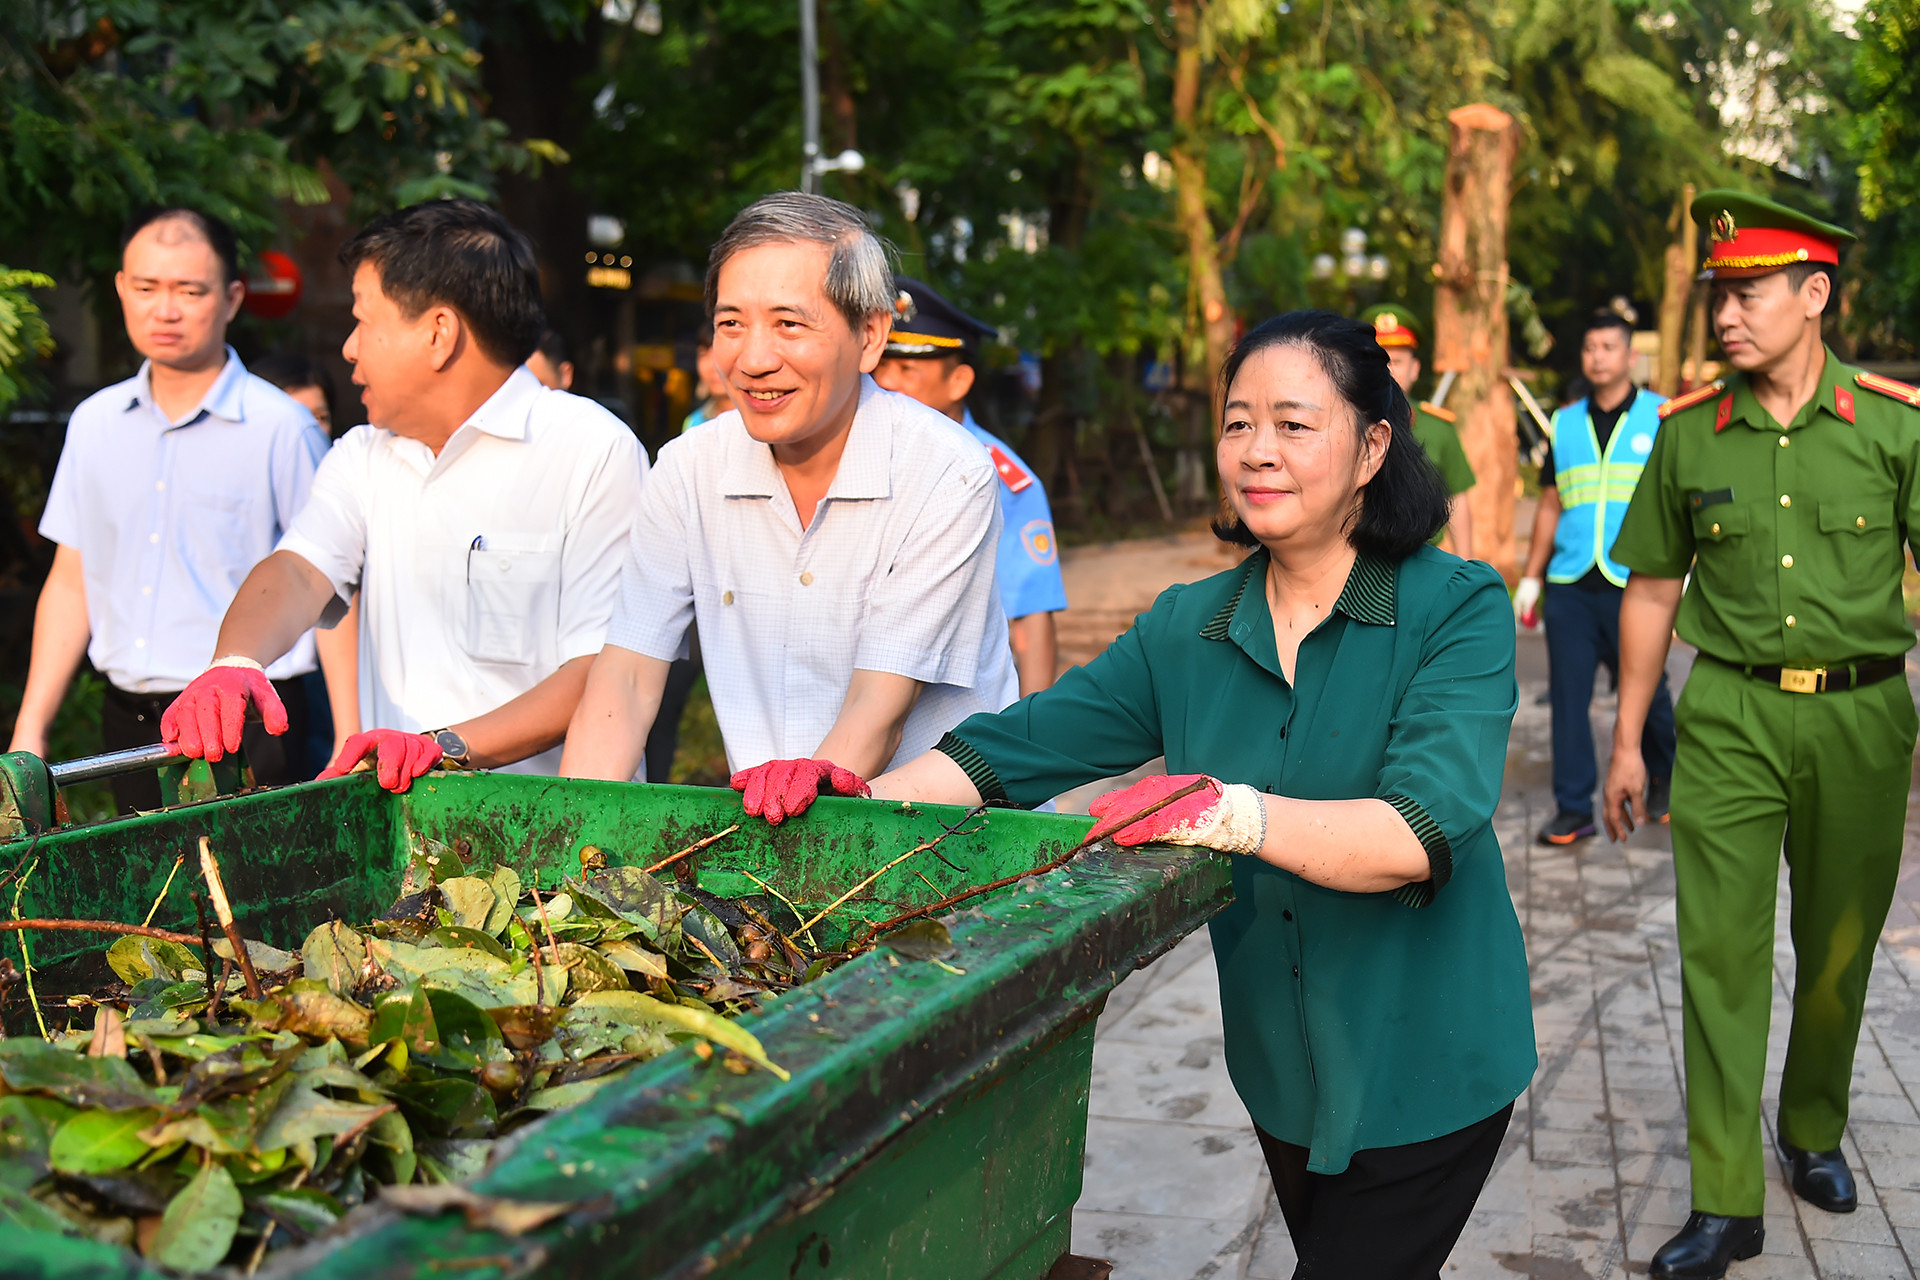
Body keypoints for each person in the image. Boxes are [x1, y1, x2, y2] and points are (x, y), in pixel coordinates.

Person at [791, 310, 1531, 1274]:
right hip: (1282, 1071)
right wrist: (851, 802)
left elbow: (1415, 831)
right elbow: (1010, 753)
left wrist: (1229, 811)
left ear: (1371, 446)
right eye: (1237, 424)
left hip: (1431, 1059)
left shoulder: (1454, 608)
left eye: (1295, 425)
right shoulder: (1192, 626)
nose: (1258, 452)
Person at [1602, 191, 1920, 1279]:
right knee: (1720, 956)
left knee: (1839, 949)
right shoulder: (1689, 432)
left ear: (1815, 292)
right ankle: (1726, 1198)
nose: (1726, 314)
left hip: (1866, 713)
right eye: (1719, 294)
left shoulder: (1893, 424)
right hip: (1729, 711)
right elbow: (1650, 587)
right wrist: (1629, 739)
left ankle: (1814, 1125)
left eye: (1747, 292)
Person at [159, 198, 647, 790]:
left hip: (553, 835)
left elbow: (604, 673)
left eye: (363, 321)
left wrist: (439, 749)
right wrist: (235, 663)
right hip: (400, 833)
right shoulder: (366, 453)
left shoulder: (592, 451)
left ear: (439, 333)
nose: (349, 348)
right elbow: (298, 572)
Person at [561, 193, 1018, 804]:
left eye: (789, 324)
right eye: (730, 324)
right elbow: (626, 679)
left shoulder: (947, 473)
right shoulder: (686, 469)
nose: (752, 360)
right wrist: (569, 850)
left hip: (938, 845)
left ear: (871, 335)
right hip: (770, 828)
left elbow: (877, 712)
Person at [6, 207, 329, 812]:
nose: (166, 309)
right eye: (148, 288)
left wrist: (347, 745)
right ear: (122, 290)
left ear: (232, 298)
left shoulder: (281, 428)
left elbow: (329, 584)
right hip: (129, 724)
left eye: (190, 290)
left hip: (250, 726)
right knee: (144, 902)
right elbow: (72, 580)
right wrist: (31, 730)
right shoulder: (95, 423)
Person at [1514, 310, 1676, 845]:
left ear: (1632, 357)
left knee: (1648, 692)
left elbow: (1680, 504)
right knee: (1567, 697)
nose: (1598, 356)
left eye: (1609, 347)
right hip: (1571, 584)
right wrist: (1532, 578)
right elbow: (1550, 502)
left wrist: (1685, 579)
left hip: (1639, 583)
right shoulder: (1564, 423)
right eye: (1590, 347)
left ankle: (1663, 776)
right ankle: (1573, 806)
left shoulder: (1663, 416)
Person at [872, 276, 1069, 696]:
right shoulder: (854, 456)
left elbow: (1031, 620)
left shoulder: (1002, 479)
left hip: (956, 710)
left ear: (958, 382)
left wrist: (1028, 738)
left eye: (906, 368)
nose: (887, 382)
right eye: (881, 365)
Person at [251, 351, 362, 770]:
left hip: (313, 678)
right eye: (295, 419)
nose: (309, 433)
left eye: (321, 417)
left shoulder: (348, 479)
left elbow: (338, 586)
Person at [1361, 304, 1475, 557]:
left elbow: (1456, 499)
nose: (1387, 370)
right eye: (1379, 360)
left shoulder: (1438, 428)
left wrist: (1466, 569)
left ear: (1415, 369)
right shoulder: (1339, 425)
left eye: (1397, 362)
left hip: (1420, 560)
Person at [681, 339, 732, 431]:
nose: (714, 367)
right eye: (703, 354)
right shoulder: (694, 423)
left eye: (724, 354)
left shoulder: (759, 425)